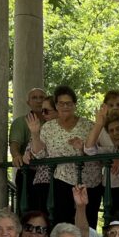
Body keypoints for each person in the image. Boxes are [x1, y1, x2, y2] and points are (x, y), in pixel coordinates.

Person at [27, 85, 103, 228]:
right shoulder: (48, 127)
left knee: (88, 225)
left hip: (89, 182)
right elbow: (40, 154)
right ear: (56, 105)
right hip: (62, 181)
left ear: (75, 104)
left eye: (69, 103)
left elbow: (102, 150)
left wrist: (83, 147)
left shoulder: (89, 125)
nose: (65, 106)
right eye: (61, 103)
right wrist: (35, 133)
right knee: (63, 224)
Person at [84, 105, 119, 217]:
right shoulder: (112, 150)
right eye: (111, 131)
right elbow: (89, 149)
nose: (115, 133)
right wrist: (98, 125)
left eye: (118, 129)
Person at [22, 96, 60, 212]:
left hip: (62, 182)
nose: (43, 114)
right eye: (42, 110)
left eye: (46, 111)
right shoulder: (42, 129)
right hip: (42, 181)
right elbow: (31, 151)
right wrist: (27, 154)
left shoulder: (69, 129)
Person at [9, 87, 46, 199]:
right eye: (34, 98)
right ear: (28, 102)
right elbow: (14, 143)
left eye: (42, 97)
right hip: (29, 172)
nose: (39, 101)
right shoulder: (20, 122)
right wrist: (16, 156)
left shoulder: (52, 121)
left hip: (49, 173)